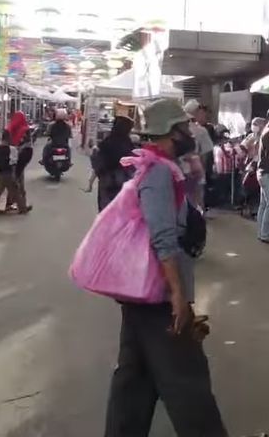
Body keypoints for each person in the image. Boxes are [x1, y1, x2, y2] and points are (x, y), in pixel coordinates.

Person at [104, 98, 229, 437]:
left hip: (142, 297)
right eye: (184, 127)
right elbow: (163, 237)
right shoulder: (158, 173)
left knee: (134, 383)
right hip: (159, 296)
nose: (190, 131)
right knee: (188, 383)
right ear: (170, 133)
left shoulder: (159, 167)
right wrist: (178, 294)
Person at [93, 115, 134, 211]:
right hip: (123, 181)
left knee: (105, 211)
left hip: (107, 181)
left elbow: (98, 163)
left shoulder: (106, 142)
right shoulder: (129, 144)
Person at [0, 130, 31, 215]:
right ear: (9, 138)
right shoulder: (11, 149)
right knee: (16, 191)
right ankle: (23, 208)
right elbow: (13, 162)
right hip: (8, 172)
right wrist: (14, 175)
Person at [7, 111, 33, 209]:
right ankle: (20, 203)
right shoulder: (25, 129)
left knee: (14, 178)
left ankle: (13, 202)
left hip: (13, 156)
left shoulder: (11, 128)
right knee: (18, 179)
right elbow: (27, 144)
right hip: (22, 156)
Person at [257, 110, 269, 242]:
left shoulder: (265, 130)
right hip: (267, 172)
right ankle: (265, 234)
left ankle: (261, 233)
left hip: (262, 172)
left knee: (264, 204)